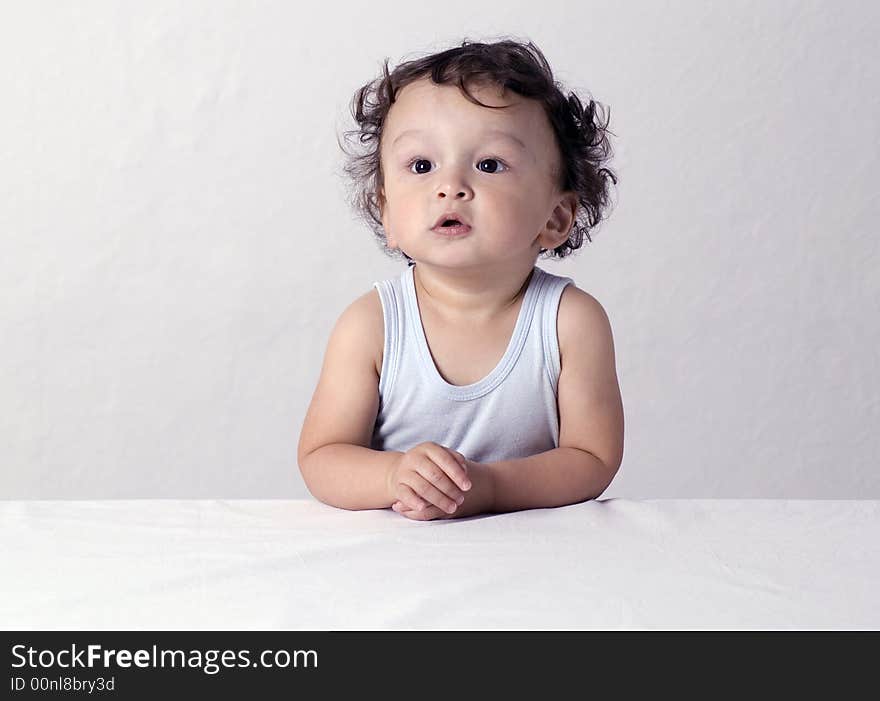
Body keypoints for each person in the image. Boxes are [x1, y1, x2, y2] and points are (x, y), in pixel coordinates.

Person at [298, 38, 624, 521]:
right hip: (396, 560)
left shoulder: (569, 322)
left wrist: (490, 487)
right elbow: (322, 456)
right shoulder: (373, 325)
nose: (450, 187)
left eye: (489, 164)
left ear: (555, 218)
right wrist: (392, 476)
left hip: (534, 558)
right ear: (386, 213)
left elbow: (592, 460)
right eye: (421, 165)